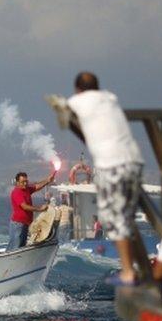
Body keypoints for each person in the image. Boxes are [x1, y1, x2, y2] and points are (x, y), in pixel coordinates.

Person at [65, 71, 143, 284]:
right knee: (127, 215)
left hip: (112, 163)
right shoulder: (110, 99)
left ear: (78, 89)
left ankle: (128, 271)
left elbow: (68, 116)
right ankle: (139, 265)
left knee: (114, 218)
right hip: (134, 159)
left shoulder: (78, 101)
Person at [7, 170, 56, 251]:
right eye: (22, 182)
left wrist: (47, 180)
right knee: (15, 247)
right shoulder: (17, 192)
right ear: (17, 182)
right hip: (18, 224)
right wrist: (39, 209)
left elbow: (36, 186)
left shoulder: (26, 189)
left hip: (25, 223)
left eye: (26, 181)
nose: (25, 184)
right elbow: (25, 207)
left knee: (21, 246)